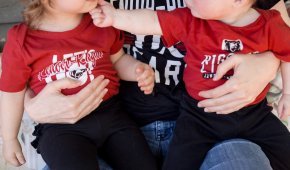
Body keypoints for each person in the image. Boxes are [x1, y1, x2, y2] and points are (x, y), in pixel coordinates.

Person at [90, 0, 290, 169]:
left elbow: (287, 52)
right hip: (198, 117)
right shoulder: (191, 19)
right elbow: (151, 20)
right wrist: (115, 17)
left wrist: (286, 91)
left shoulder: (270, 23)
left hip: (253, 115)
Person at [0, 0, 158, 169]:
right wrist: (9, 138)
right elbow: (12, 91)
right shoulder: (22, 39)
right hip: (61, 128)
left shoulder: (101, 22)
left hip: (112, 116)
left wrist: (136, 70)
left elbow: (117, 59)